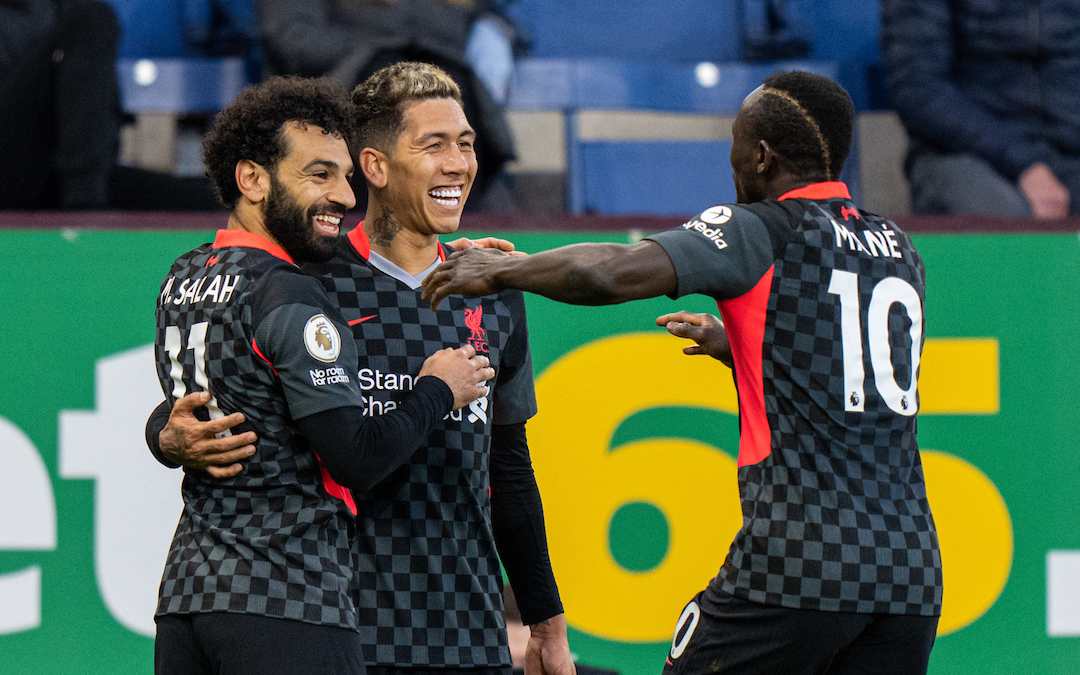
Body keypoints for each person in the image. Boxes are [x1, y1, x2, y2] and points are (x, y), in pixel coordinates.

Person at [423, 71, 941, 675]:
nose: (732, 162)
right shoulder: (899, 246)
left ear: (761, 154)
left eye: (735, 144)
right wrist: (742, 343)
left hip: (801, 562)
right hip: (911, 574)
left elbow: (613, 272)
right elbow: (854, 373)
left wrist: (504, 270)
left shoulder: (761, 230)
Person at [148, 63, 575, 675]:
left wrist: (546, 621)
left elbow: (508, 465)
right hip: (338, 626)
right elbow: (220, 382)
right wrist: (164, 434)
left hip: (467, 633)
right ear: (375, 166)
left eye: (466, 144)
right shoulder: (308, 280)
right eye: (434, 145)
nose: (458, 163)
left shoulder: (493, 290)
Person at [256, 0, 518, 211]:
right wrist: (382, 50)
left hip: (440, 80)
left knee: (443, 88)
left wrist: (490, 28)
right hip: (342, 96)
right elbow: (294, 41)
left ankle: (453, 232)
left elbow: (467, 19)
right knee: (390, 86)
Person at [0, 0, 220, 210]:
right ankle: (86, 220)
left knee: (217, 206)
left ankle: (88, 204)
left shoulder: (65, 10)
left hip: (61, 177)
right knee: (93, 18)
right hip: (40, 174)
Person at [881, 0, 1080, 219]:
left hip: (1066, 152)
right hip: (962, 153)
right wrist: (1025, 164)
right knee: (1006, 226)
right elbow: (918, 90)